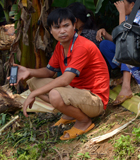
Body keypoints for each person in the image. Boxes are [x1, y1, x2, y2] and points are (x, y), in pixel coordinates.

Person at [12, 8, 109, 140]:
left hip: (94, 100)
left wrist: (34, 94)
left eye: (66, 26)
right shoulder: (60, 46)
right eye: (57, 27)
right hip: (76, 93)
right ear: (51, 31)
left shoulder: (81, 46)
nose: (62, 31)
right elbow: (49, 71)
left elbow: (65, 80)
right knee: (34, 82)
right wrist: (29, 72)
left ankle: (84, 121)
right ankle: (70, 114)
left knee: (55, 95)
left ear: (74, 25)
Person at [96, 0, 140, 102]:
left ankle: (126, 88)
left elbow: (125, 38)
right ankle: (128, 75)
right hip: (131, 54)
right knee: (105, 45)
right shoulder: (128, 16)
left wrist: (121, 13)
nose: (121, 5)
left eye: (124, 3)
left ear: (132, 5)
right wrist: (105, 33)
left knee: (127, 48)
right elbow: (118, 40)